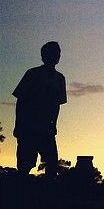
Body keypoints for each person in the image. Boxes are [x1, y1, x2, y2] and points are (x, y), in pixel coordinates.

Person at [12, 41, 67, 177]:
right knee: (25, 164)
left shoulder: (60, 79)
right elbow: (21, 101)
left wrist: (54, 125)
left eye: (57, 53)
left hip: (46, 129)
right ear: (43, 56)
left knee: (52, 163)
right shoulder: (32, 74)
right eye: (52, 53)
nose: (56, 56)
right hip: (28, 127)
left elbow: (57, 105)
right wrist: (18, 125)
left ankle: (47, 195)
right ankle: (22, 194)